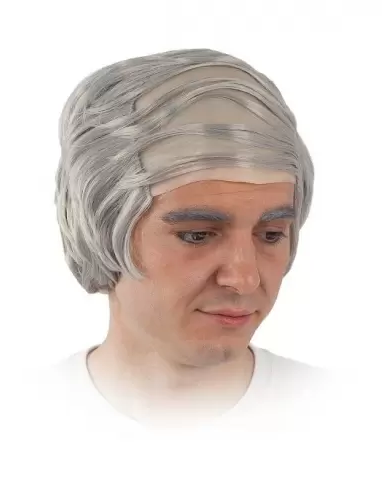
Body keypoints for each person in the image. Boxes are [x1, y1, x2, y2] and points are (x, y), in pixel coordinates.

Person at [43, 47, 333, 433]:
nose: (244, 279)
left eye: (271, 235)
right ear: (100, 228)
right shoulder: (17, 422)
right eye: (197, 235)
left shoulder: (347, 418)